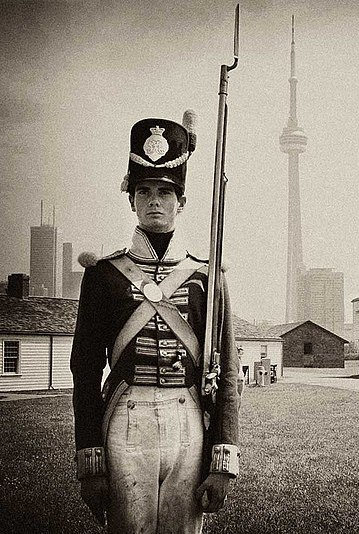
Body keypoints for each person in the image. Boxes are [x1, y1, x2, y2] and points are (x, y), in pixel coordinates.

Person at [71, 113, 241, 533]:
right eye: (144, 190)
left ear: (180, 202)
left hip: (188, 420)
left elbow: (229, 375)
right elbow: (85, 371)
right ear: (130, 198)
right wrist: (90, 463)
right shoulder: (103, 276)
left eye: (165, 192)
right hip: (127, 420)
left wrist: (224, 461)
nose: (154, 201)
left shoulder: (208, 277)